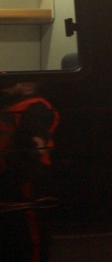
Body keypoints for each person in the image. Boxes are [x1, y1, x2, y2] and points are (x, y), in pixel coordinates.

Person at [0, 81, 59, 262]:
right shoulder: (9, 105)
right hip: (12, 186)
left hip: (24, 189)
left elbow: (34, 151)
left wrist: (20, 182)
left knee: (28, 240)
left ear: (28, 85)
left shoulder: (34, 107)